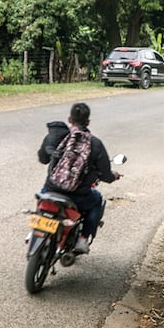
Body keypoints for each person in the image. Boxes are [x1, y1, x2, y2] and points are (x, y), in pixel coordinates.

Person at [37, 102, 119, 255]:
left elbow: (43, 158)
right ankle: (82, 239)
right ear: (88, 122)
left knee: (42, 199)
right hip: (77, 197)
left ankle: (37, 229)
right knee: (98, 200)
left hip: (51, 189)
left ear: (69, 119)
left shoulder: (57, 135)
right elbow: (105, 174)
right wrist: (113, 176)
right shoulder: (95, 144)